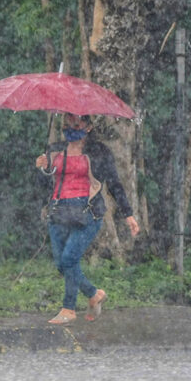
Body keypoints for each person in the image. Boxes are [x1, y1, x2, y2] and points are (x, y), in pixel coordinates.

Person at [35, 113, 140, 324]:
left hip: (88, 214)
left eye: (76, 123)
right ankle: (93, 294)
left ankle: (69, 308)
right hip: (59, 213)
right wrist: (42, 168)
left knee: (69, 259)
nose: (70, 127)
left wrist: (128, 214)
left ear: (89, 126)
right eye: (66, 123)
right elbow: (43, 185)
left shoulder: (99, 152)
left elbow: (114, 183)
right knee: (61, 264)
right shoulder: (55, 150)